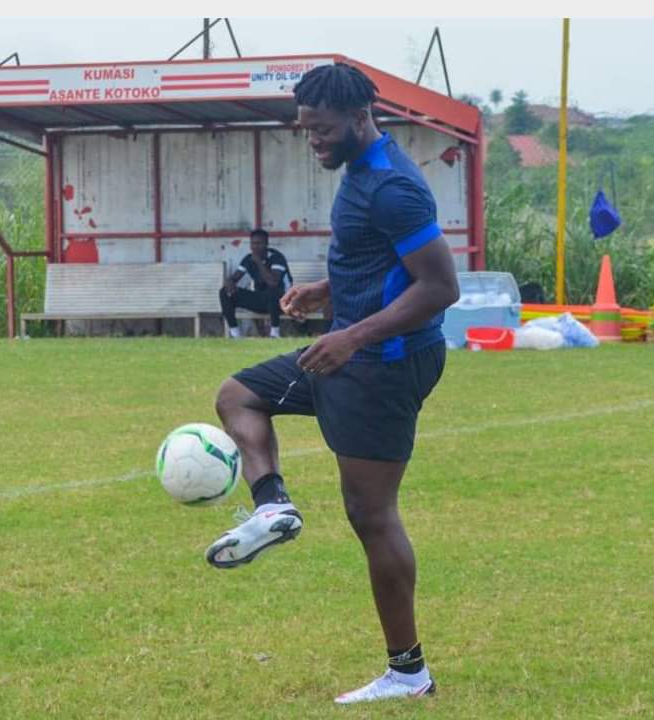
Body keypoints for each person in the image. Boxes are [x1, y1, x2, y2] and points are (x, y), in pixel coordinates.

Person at [206, 63, 460, 705]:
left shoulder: (392, 188)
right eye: (305, 129)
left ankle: (408, 672)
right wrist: (330, 291)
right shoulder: (361, 170)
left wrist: (352, 335)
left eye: (320, 130)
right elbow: (387, 263)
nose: (312, 140)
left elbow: (439, 287)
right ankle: (273, 505)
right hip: (350, 352)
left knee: (371, 515)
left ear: (357, 117)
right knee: (238, 395)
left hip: (383, 362)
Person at [219, 228, 292, 338]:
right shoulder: (249, 259)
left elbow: (273, 283)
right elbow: (234, 277)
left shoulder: (276, 257)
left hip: (282, 301)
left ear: (266, 244)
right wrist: (229, 282)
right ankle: (235, 334)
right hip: (261, 300)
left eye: (259, 243)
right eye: (253, 243)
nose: (256, 247)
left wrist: (258, 262)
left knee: (272, 291)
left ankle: (275, 333)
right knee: (224, 292)